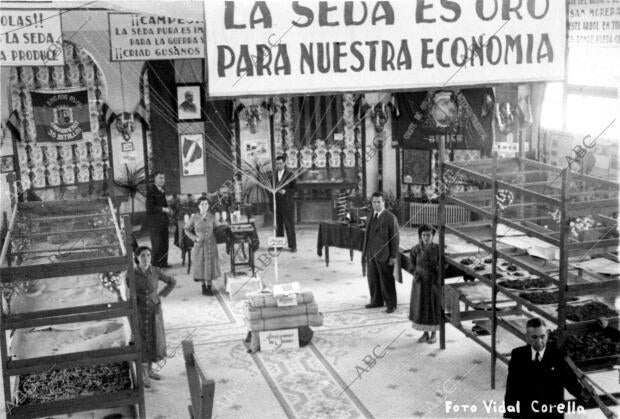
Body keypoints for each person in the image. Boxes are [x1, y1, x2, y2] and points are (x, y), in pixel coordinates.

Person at [504, 318, 587, 418]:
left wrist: (584, 395)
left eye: (542, 336)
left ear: (547, 334)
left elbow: (570, 382)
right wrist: (510, 413)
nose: (539, 342)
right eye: (534, 337)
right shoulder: (518, 355)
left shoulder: (558, 356)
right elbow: (512, 388)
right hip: (527, 413)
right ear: (527, 337)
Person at [134, 246, 176, 388]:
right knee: (142, 339)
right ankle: (144, 375)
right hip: (139, 310)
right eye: (143, 256)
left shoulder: (156, 271)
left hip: (154, 310)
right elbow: (124, 289)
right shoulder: (131, 273)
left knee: (153, 337)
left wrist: (161, 295)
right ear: (137, 258)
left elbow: (172, 282)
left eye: (148, 255)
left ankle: (150, 370)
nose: (146, 258)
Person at [362, 191, 399, 313]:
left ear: (384, 202)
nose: (376, 204)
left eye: (379, 202)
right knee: (372, 278)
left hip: (385, 255)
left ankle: (391, 304)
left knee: (386, 280)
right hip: (371, 253)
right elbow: (367, 235)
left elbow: (395, 238)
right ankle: (376, 301)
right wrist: (365, 253)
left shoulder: (390, 218)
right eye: (374, 202)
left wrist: (393, 256)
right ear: (371, 203)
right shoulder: (370, 215)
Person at [408, 224, 441, 343]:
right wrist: (417, 274)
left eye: (429, 235)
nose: (426, 237)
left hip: (433, 283)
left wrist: (437, 271)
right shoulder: (415, 249)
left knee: (432, 307)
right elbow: (411, 266)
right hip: (420, 283)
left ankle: (434, 334)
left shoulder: (438, 249)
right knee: (421, 307)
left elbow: (444, 264)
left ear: (433, 236)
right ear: (420, 236)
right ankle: (425, 333)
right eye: (424, 235)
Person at [184, 197, 222, 296]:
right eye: (202, 204)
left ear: (208, 206)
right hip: (199, 244)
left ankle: (209, 286)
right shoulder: (194, 217)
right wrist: (194, 238)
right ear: (198, 206)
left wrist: (223, 224)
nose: (204, 206)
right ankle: (203, 287)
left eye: (206, 204)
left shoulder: (212, 217)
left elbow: (218, 227)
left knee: (210, 264)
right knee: (201, 264)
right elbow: (186, 229)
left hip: (211, 244)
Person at [146, 171, 172, 268]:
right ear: (155, 179)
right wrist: (163, 209)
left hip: (163, 222)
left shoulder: (161, 190)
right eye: (160, 178)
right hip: (155, 223)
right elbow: (149, 208)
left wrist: (168, 209)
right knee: (157, 245)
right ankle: (156, 266)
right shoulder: (151, 190)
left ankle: (163, 264)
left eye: (163, 178)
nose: (162, 180)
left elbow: (164, 205)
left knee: (165, 243)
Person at [273, 155, 297, 252]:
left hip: (287, 204)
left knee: (289, 225)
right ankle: (279, 245)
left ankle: (293, 246)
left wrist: (286, 191)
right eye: (277, 164)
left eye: (280, 163)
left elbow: (295, 189)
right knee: (279, 225)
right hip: (278, 204)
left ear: (284, 163)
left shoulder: (290, 175)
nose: (278, 165)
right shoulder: (274, 175)